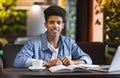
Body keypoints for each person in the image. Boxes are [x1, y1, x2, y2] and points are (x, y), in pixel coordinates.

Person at [13, 5, 92, 68]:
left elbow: (87, 59)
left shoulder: (69, 43)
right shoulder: (34, 42)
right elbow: (18, 61)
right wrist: (47, 63)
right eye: (51, 22)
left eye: (58, 22)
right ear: (45, 25)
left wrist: (73, 62)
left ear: (62, 26)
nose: (55, 26)